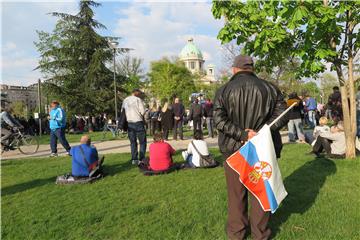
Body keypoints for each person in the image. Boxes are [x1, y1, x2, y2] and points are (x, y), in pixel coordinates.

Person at [213, 55, 288, 240]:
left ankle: (237, 233)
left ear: (234, 69)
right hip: (261, 147)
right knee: (261, 190)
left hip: (235, 148)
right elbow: (282, 116)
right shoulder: (270, 88)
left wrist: (249, 134)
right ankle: (260, 234)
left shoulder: (223, 90)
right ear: (252, 68)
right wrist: (252, 134)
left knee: (236, 194)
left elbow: (218, 120)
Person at [122, 89, 146, 165]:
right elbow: (142, 111)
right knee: (142, 142)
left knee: (133, 142)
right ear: (136, 93)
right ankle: (141, 158)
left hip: (129, 122)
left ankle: (134, 159)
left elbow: (122, 111)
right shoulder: (138, 100)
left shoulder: (125, 100)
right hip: (138, 122)